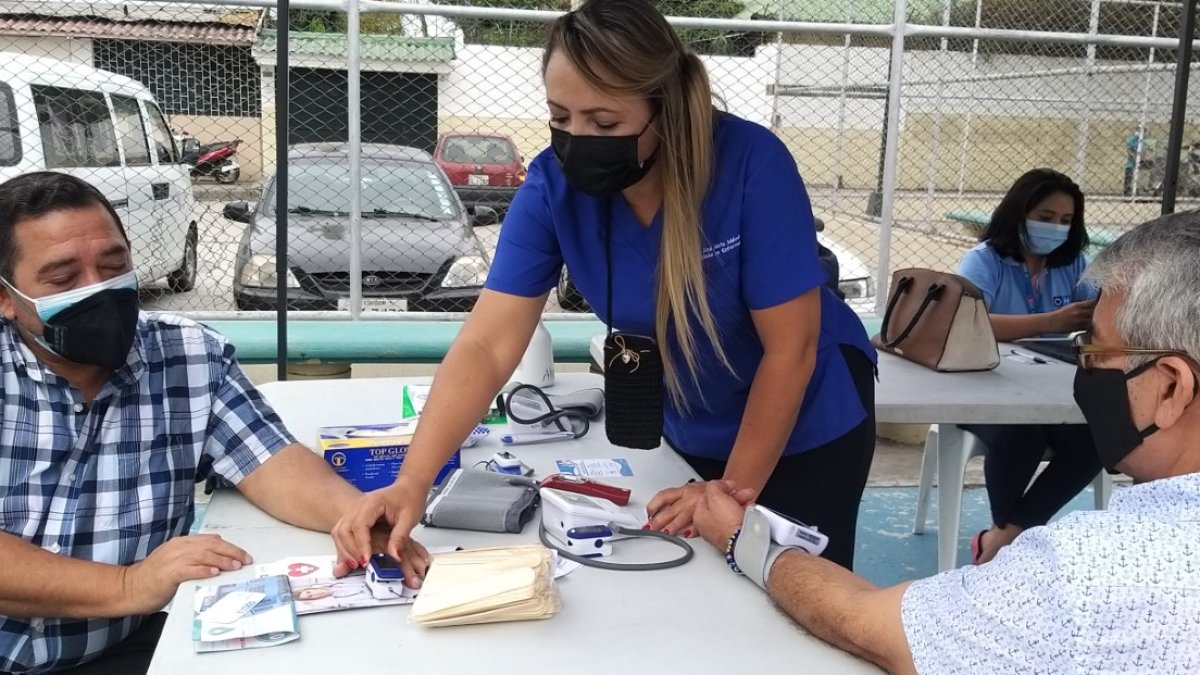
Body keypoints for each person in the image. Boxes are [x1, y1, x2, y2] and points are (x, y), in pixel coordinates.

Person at [331, 0, 876, 581]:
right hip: (689, 429)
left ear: (663, 111)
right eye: (560, 118)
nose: (577, 139)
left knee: (802, 607)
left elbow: (790, 349)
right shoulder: (550, 188)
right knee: (697, 596)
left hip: (804, 426)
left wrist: (727, 496)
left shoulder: (750, 165)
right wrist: (412, 480)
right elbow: (487, 344)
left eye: (605, 123)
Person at [694, 211, 1200, 673]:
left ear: (1172, 386)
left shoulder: (1095, 575)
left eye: (1092, 352)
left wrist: (743, 538)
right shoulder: (986, 262)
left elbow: (869, 625)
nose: (1085, 367)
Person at [0, 172, 367, 674]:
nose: (99, 290)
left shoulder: (187, 354)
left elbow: (270, 460)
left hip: (113, 652)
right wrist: (130, 585)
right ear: (6, 298)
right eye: (63, 279)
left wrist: (360, 519)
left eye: (113, 265)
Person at [957, 168, 1101, 564]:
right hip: (981, 385)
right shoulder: (983, 261)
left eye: (1066, 221)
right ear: (1018, 213)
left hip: (1049, 385)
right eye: (1045, 217)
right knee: (1020, 433)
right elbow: (968, 322)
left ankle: (1006, 534)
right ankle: (1005, 534)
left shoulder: (1073, 265)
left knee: (1095, 439)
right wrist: (1050, 322)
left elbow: (1095, 313)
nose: (1056, 228)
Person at [1124, 125, 1146, 197]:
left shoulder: (1143, 141)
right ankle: (1127, 194)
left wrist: (1142, 158)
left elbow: (1144, 152)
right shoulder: (1132, 140)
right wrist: (1136, 157)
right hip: (1131, 163)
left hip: (1139, 164)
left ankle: (1136, 193)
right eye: (1138, 130)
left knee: (1137, 180)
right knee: (1129, 179)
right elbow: (1128, 150)